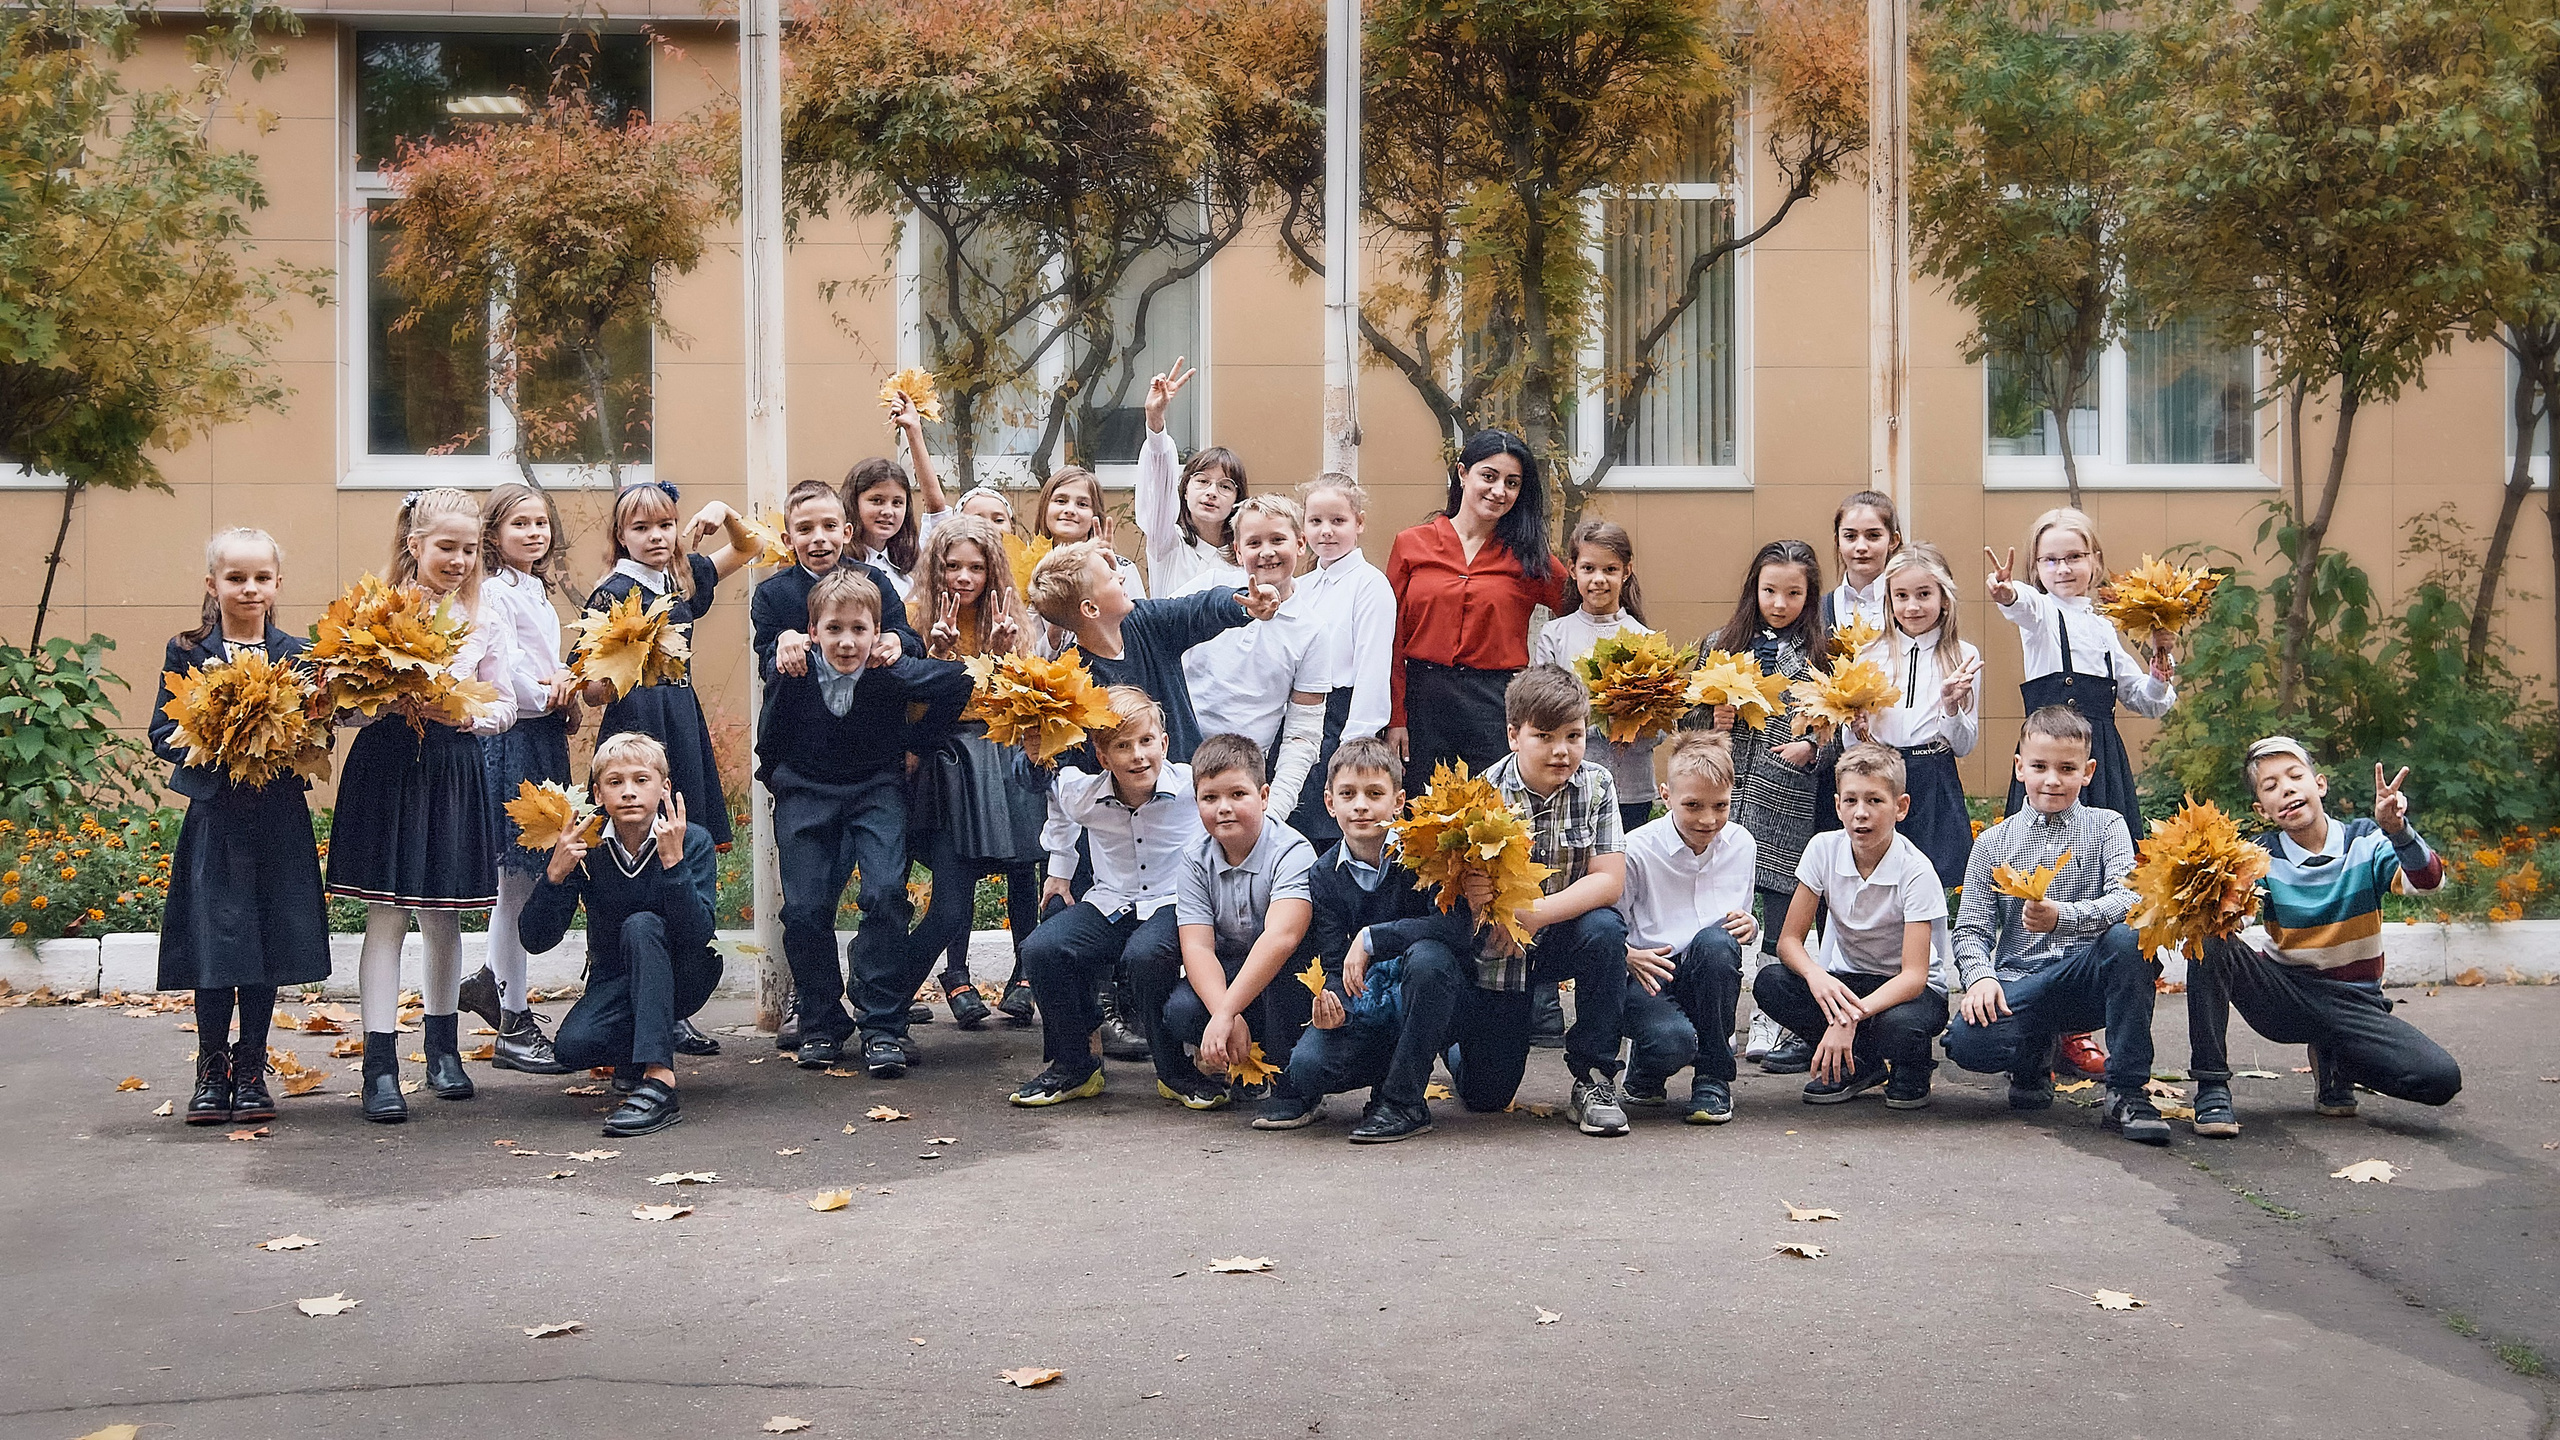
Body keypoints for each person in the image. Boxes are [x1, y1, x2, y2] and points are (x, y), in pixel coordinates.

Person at [1362, 665, 1633, 1137]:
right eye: (1544, 736)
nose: (1561, 750)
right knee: (1487, 1096)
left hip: (1561, 934)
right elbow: (1463, 893)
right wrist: (1482, 900)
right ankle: (1455, 1042)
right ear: (1513, 735)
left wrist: (1535, 914)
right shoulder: (1481, 795)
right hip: (1500, 955)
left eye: (1573, 736)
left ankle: (1594, 1078)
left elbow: (1609, 881)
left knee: (1605, 929)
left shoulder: (1598, 784)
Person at [326, 489, 515, 1124]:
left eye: (470, 549)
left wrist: (464, 714)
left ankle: (443, 1052)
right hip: (388, 765)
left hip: (452, 766)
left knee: (443, 916)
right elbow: (343, 705)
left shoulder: (487, 613)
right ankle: (379, 1066)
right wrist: (380, 699)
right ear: (415, 544)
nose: (459, 560)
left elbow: (505, 703)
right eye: (446, 547)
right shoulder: (375, 609)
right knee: (386, 917)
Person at [2185, 738, 2461, 1137]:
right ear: (2262, 810)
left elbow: (2429, 883)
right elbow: (2233, 922)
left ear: (2320, 785)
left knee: (2441, 1079)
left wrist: (2398, 831)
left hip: (2354, 1003)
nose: (2286, 789)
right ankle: (2211, 1088)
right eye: (2271, 786)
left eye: (2295, 777)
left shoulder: (2366, 840)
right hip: (2285, 996)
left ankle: (2339, 1059)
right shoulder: (2258, 856)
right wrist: (2205, 900)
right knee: (2210, 941)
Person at [757, 569, 972, 1077]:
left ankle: (883, 1023)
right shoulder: (794, 673)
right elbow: (771, 734)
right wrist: (781, 780)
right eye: (834, 629)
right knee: (805, 909)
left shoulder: (890, 670)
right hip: (806, 792)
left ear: (878, 633)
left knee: (885, 894)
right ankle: (821, 1021)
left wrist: (918, 746)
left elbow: (958, 682)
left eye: (859, 629)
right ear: (813, 632)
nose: (847, 642)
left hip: (876, 790)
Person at [150, 529, 332, 1128]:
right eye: (235, 578)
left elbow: (318, 733)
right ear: (213, 585)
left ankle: (251, 1067)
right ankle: (211, 1068)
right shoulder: (187, 651)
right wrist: (212, 739)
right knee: (216, 940)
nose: (249, 589)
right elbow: (162, 732)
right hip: (217, 820)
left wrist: (292, 737)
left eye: (261, 578)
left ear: (278, 583)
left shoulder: (298, 653)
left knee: (266, 939)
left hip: (278, 819)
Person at [1943, 707, 2167, 1144]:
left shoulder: (2107, 826)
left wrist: (2062, 917)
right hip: (2020, 981)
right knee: (1967, 1043)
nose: (2052, 780)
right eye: (2040, 767)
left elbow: (2130, 899)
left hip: (2087, 978)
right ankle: (2031, 1056)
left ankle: (2127, 1091)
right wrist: (1980, 978)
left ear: (2088, 772)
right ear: (2019, 767)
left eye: (2067, 769)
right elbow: (1970, 929)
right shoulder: (1992, 843)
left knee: (2131, 938)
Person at [1254, 737, 1469, 1142]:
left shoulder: (1423, 852)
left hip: (1434, 992)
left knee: (1429, 959)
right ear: (1329, 803)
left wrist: (1373, 937)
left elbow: (1455, 928)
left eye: (1374, 794)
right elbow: (1336, 962)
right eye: (1348, 794)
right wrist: (1335, 1006)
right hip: (1371, 1000)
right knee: (1307, 1068)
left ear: (1398, 801)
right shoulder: (1323, 874)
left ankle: (1403, 1101)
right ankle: (1394, 1072)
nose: (1361, 806)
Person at [517, 733, 724, 1137]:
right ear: (598, 793)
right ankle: (635, 1056)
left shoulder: (691, 840)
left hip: (683, 974)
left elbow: (697, 935)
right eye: (615, 782)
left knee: (642, 924)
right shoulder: (586, 846)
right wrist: (555, 876)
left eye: (641, 780)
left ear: (664, 787)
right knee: (572, 1046)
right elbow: (535, 939)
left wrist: (674, 864)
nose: (629, 792)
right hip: (616, 979)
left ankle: (660, 1080)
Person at [1008, 688, 1204, 1107]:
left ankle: (1175, 1070)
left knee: (1146, 955)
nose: (1138, 756)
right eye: (1123, 746)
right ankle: (1075, 1066)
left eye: (1146, 742)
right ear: (1102, 756)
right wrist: (1060, 869)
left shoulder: (1192, 787)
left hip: (1173, 902)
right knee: (1042, 948)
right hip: (1112, 902)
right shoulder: (1084, 794)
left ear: (1164, 743)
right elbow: (1057, 800)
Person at [457, 483, 582, 1075]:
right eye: (520, 524)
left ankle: (492, 982)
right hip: (513, 740)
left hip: (542, 739)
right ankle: (512, 1019)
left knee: (524, 881)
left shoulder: (534, 588)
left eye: (540, 523)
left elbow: (542, 665)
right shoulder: (495, 592)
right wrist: (554, 691)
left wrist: (564, 682)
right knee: (517, 880)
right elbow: (504, 676)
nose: (534, 533)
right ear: (493, 534)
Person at [1752, 744, 1951, 1109]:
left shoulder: (1916, 871)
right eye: (1851, 800)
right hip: (1848, 979)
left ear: (1901, 807)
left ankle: (1913, 1064)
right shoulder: (1822, 849)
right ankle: (1860, 1064)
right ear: (1837, 805)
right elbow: (1789, 942)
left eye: (1875, 800)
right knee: (1771, 983)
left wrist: (1845, 1019)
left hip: (1907, 991)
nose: (1861, 813)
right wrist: (1816, 976)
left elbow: (1914, 976)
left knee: (1900, 1026)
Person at [905, 516, 1044, 1031]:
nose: (964, 577)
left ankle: (1025, 974)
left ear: (992, 572)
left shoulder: (1009, 618)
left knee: (1023, 862)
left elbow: (1025, 697)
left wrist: (1003, 657)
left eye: (976, 568)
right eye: (952, 566)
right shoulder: (915, 617)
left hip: (1003, 746)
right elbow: (910, 710)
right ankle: (957, 976)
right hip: (949, 754)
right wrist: (937, 656)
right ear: (935, 569)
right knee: (957, 868)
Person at [1131, 733, 1317, 1110]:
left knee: (1281, 990)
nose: (1224, 808)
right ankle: (1238, 1063)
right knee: (1182, 1012)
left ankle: (1292, 1083)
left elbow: (1282, 938)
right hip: (1232, 968)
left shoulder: (1293, 851)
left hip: (1286, 974)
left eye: (1238, 794)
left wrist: (1227, 1012)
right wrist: (1223, 1013)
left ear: (1264, 796)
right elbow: (1197, 946)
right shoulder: (1195, 859)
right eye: (1210, 798)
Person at [1697, 538, 1826, 1074]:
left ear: (1809, 596)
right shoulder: (1720, 644)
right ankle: (1716, 1013)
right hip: (1727, 791)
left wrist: (1812, 747)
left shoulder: (1821, 654)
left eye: (1793, 593)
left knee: (1780, 905)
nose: (1779, 603)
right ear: (1754, 588)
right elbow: (1684, 717)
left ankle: (1773, 1015)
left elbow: (1838, 726)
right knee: (1719, 906)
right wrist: (1713, 721)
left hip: (1785, 792)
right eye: (1770, 590)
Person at [580, 482, 756, 851]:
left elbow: (750, 547)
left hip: (681, 713)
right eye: (641, 528)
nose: (656, 536)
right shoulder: (612, 592)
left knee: (686, 828)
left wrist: (723, 510)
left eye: (665, 525)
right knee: (637, 827)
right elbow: (591, 691)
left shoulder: (681, 578)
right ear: (621, 536)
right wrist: (624, 665)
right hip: (636, 716)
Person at [1983, 506, 2176, 838]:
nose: (2063, 568)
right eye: (2050, 560)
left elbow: (2145, 700)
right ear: (2036, 566)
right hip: (2050, 756)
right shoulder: (2041, 613)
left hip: (2100, 759)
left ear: (2094, 560)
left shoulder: (2103, 627)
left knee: (2107, 848)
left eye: (2074, 557)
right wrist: (2008, 594)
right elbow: (2023, 604)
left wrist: (2159, 669)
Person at [1385, 430, 1568, 777]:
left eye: (1512, 483)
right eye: (1489, 476)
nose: (1499, 491)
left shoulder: (1529, 557)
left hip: (1494, 707)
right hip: (1422, 702)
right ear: (1462, 473)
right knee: (1419, 805)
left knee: (1493, 806)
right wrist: (1396, 717)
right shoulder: (1411, 545)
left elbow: (1583, 611)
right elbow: (1389, 638)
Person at [1023, 538, 1280, 763]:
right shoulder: (1071, 684)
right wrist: (1035, 757)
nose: (1121, 576)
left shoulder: (1147, 621)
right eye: (1110, 577)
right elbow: (1051, 766)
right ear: (1091, 609)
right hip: (1120, 801)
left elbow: (1199, 608)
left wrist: (1244, 605)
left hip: (1187, 785)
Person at [1618, 732, 1757, 1127]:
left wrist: (1749, 924)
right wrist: (1628, 955)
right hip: (1649, 971)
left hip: (1706, 967)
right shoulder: (1636, 849)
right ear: (1665, 795)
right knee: (1672, 1041)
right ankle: (1648, 1064)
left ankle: (1714, 1077)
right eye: (1693, 805)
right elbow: (1610, 924)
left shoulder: (1741, 844)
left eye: (1720, 806)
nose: (1708, 819)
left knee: (1717, 946)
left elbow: (1737, 919)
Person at [1182, 494, 1330, 818]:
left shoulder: (1313, 632)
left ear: (1301, 543)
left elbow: (1302, 735)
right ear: (1237, 551)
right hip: (1177, 762)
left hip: (1243, 778)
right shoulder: (1210, 586)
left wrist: (1274, 812)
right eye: (1253, 543)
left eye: (1277, 540)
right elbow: (1157, 632)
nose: (1266, 551)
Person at [1861, 545, 1982, 890]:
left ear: (1943, 598)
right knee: (1880, 878)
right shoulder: (1869, 653)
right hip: (1881, 776)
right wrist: (1856, 728)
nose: (1912, 606)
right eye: (1901, 596)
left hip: (1934, 775)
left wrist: (1951, 706)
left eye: (1924, 594)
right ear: (1889, 600)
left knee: (1937, 880)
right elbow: (1852, 739)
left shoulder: (1963, 655)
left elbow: (1964, 745)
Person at [1531, 518, 1661, 834]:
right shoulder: (1554, 634)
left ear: (1626, 572)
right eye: (1589, 568)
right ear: (1572, 569)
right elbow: (1541, 711)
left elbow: (1661, 729)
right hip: (1566, 781)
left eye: (1610, 570)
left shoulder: (1646, 640)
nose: (1599, 579)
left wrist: (1632, 721)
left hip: (1629, 789)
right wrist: (1600, 715)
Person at [1285, 473, 1396, 840]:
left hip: (1341, 718)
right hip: (1299, 717)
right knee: (1294, 826)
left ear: (1358, 523)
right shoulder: (1300, 587)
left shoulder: (1370, 585)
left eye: (1338, 520)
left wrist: (1353, 745)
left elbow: (1372, 668)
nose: (1326, 531)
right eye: (1315, 521)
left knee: (1331, 828)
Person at [751, 477, 921, 678]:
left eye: (830, 526)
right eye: (805, 529)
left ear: (846, 533)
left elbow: (915, 644)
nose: (819, 538)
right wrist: (782, 641)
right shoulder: (771, 593)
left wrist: (897, 639)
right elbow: (766, 668)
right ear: (788, 540)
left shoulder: (872, 579)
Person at [1132, 355, 1248, 597]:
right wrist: (1155, 419)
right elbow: (1159, 480)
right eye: (1202, 481)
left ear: (1237, 500)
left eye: (1225, 486)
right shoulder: (1167, 542)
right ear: (1185, 490)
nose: (1211, 492)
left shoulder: (1244, 557)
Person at [842, 388, 937, 602]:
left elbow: (936, 510)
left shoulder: (909, 567)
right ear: (853, 502)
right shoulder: (836, 563)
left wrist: (914, 430)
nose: (888, 511)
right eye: (876, 500)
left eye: (897, 503)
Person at [1823, 490, 1901, 634]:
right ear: (1837, 541)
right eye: (1850, 536)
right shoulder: (1819, 611)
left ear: (1893, 540)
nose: (1861, 547)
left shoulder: (1910, 607)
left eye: (1873, 536)